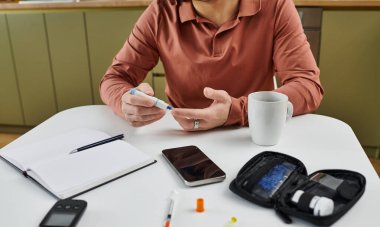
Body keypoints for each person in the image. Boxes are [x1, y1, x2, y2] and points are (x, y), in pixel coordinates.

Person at [100, 0, 324, 131]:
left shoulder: (275, 6)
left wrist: (236, 111)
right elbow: (115, 79)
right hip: (184, 138)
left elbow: (308, 85)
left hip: (251, 133)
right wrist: (125, 100)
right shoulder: (161, 11)